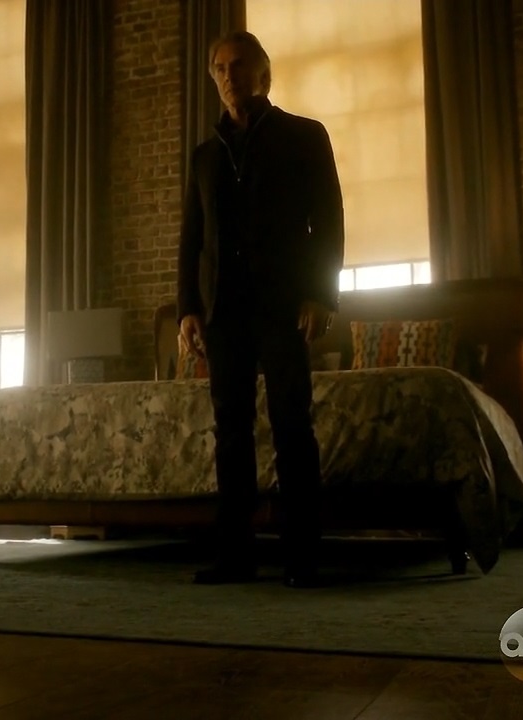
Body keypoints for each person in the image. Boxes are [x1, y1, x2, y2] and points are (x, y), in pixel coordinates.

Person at [176, 30, 344, 589]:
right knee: (231, 431)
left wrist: (322, 294)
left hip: (284, 306)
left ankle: (302, 557)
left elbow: (329, 220)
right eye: (220, 68)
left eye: (241, 65)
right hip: (223, 312)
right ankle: (235, 556)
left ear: (264, 75)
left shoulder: (304, 136)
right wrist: (187, 308)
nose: (230, 75)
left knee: (293, 425)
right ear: (213, 78)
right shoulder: (204, 157)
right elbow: (192, 239)